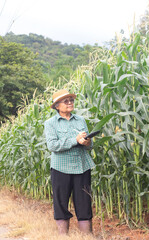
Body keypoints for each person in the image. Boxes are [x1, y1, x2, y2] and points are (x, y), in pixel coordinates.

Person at [44, 89, 95, 235]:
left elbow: (89, 146)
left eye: (71, 100)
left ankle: (86, 237)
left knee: (84, 203)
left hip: (82, 167)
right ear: (56, 106)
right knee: (61, 204)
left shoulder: (80, 120)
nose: (69, 102)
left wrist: (87, 142)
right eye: (65, 101)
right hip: (61, 168)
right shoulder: (50, 123)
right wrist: (75, 140)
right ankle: (63, 236)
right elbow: (52, 145)